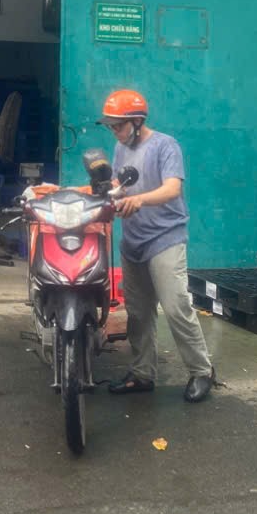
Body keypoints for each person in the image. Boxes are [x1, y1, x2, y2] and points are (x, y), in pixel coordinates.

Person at [100, 89, 216, 403]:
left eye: (119, 125)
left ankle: (201, 371)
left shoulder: (165, 146)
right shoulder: (120, 148)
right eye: (111, 126)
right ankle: (142, 373)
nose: (115, 131)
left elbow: (172, 189)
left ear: (137, 121)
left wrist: (139, 200)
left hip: (165, 238)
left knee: (176, 306)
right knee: (138, 313)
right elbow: (120, 184)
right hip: (133, 241)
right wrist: (106, 191)